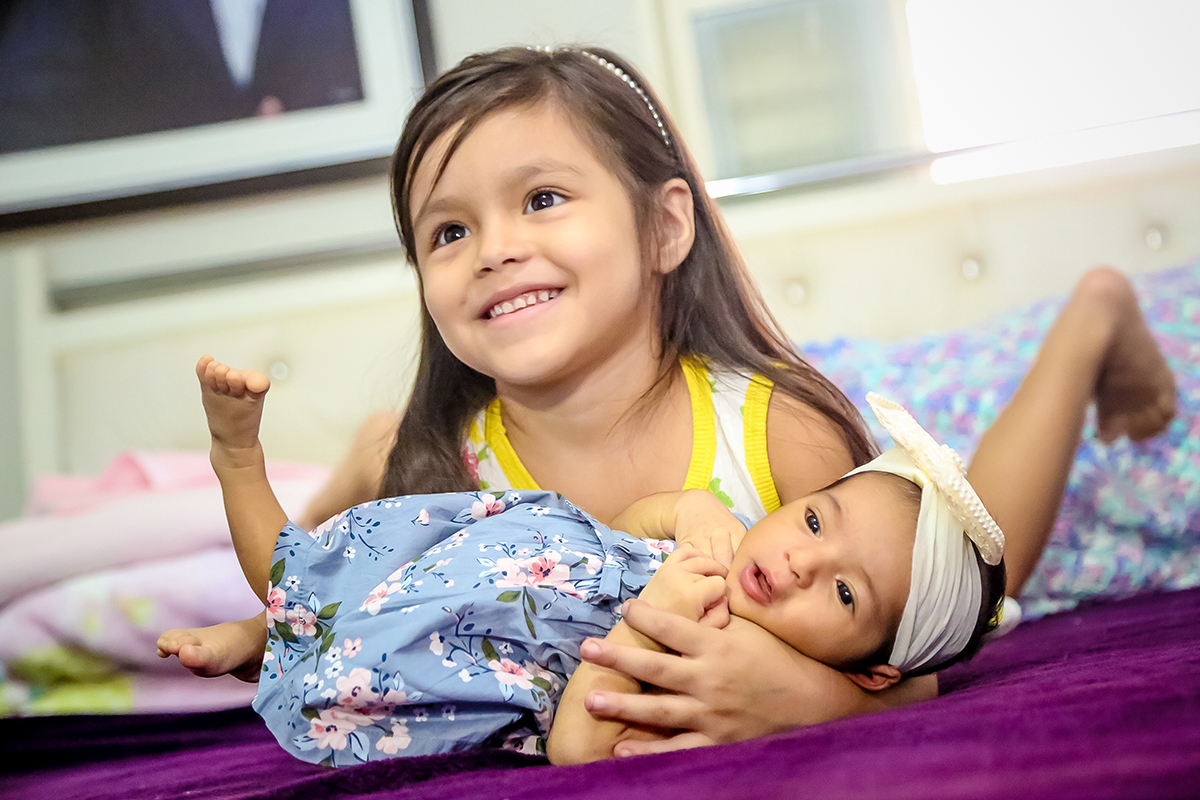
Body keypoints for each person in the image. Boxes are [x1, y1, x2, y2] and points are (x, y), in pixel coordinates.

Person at [158, 45, 1176, 758]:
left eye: (542, 198)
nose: (496, 247)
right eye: (448, 231)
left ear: (665, 227)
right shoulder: (441, 465)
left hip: (781, 417)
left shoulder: (784, 430)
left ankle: (1090, 319)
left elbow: (911, 652)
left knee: (971, 566)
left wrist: (811, 697)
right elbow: (357, 588)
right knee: (382, 462)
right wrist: (265, 625)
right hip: (418, 461)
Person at [180, 353, 1006, 766]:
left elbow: (579, 748)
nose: (798, 562)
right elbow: (628, 525)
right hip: (499, 546)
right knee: (328, 567)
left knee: (321, 610)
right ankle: (264, 625)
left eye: (845, 595)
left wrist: (652, 625)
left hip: (468, 647)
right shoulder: (726, 548)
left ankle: (239, 466)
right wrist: (689, 508)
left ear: (871, 670)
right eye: (816, 520)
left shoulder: (722, 671)